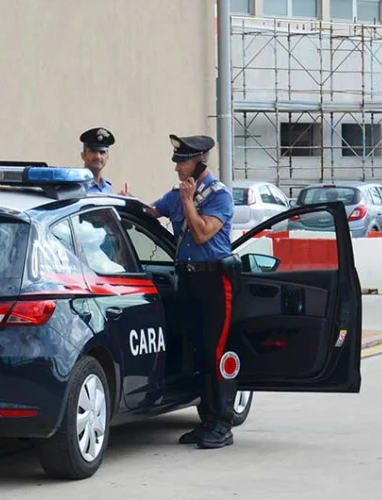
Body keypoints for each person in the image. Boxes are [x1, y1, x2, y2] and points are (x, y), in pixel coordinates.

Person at [145, 134, 238, 449]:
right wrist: (123, 201)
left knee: (216, 352)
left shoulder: (219, 196)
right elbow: (149, 213)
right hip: (187, 280)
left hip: (214, 281)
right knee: (197, 351)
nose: (177, 168)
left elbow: (201, 234)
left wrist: (187, 202)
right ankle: (206, 422)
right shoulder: (174, 195)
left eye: (181, 162)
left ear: (199, 163)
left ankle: (222, 424)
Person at [79, 127, 115, 194]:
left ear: (107, 157)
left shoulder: (107, 188)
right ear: (83, 155)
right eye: (93, 151)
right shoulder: (76, 188)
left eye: (102, 152)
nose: (98, 157)